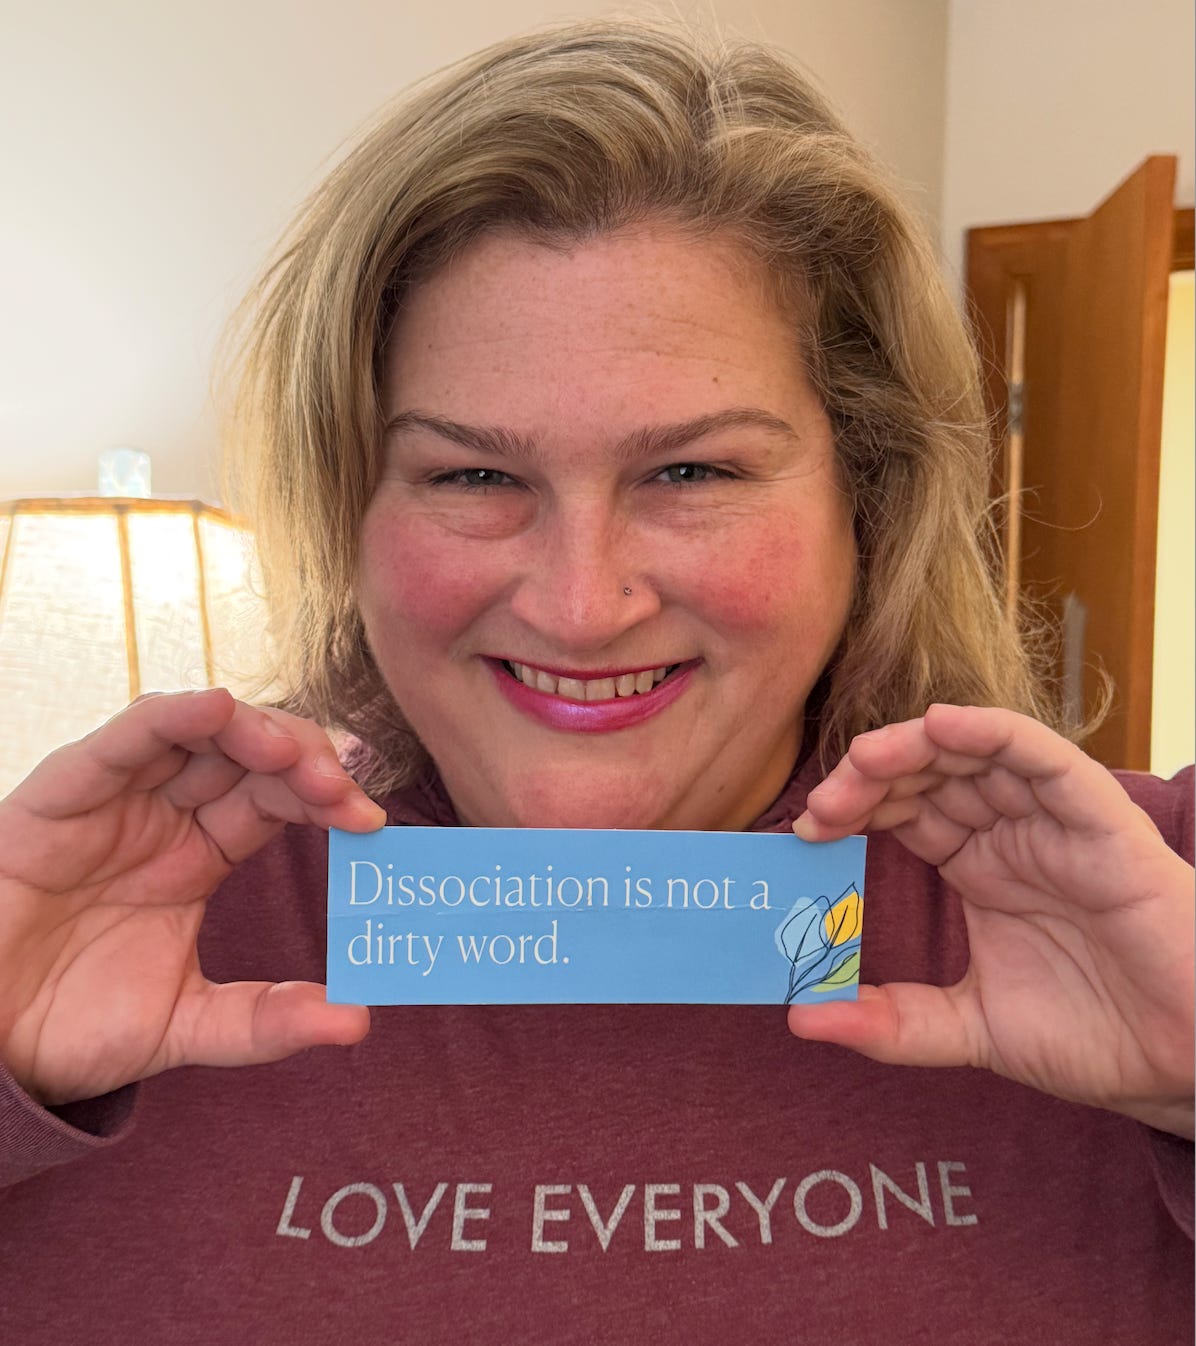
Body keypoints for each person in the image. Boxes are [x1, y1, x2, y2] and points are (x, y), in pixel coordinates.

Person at [0, 18, 1191, 1344]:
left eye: (693, 471)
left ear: (870, 502)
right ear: (352, 512)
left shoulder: (1162, 895)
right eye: (472, 474)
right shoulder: (106, 939)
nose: (579, 604)